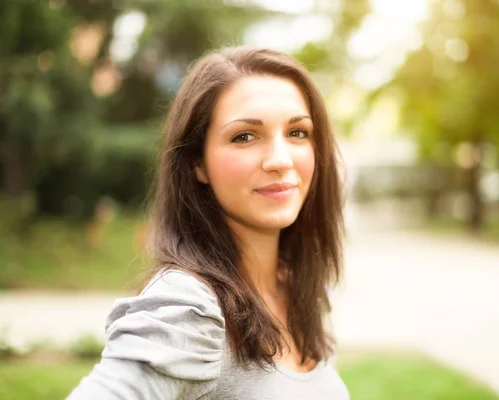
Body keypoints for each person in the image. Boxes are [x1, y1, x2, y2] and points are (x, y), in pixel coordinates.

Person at [67, 46, 348, 399]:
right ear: (197, 163)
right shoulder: (190, 307)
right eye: (244, 136)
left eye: (297, 133)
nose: (280, 160)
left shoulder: (293, 284)